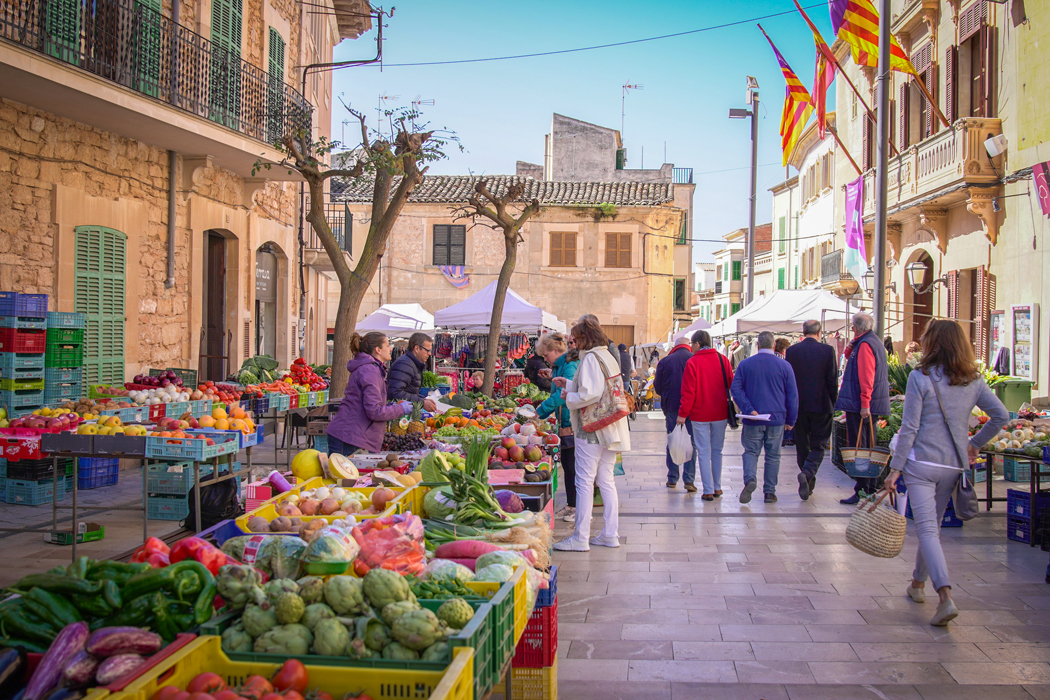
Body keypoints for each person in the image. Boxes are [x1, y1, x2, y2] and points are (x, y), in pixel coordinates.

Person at [884, 320, 1008, 626]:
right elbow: (1001, 415)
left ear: (933, 343)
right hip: (953, 465)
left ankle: (945, 596)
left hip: (921, 463)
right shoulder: (973, 380)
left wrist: (895, 468)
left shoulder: (920, 377)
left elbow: (910, 426)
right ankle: (917, 584)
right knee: (933, 529)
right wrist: (974, 444)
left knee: (926, 530)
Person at [552, 317, 630, 552]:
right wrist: (568, 384)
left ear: (585, 338)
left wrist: (569, 396)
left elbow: (590, 393)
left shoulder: (590, 359)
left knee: (584, 481)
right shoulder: (606, 354)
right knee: (606, 480)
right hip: (611, 427)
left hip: (592, 428)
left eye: (575, 339)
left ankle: (580, 537)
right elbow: (598, 387)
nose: (573, 344)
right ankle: (610, 534)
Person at [730, 330, 798, 503]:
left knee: (751, 452)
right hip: (776, 418)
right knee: (773, 455)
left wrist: (748, 408)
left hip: (753, 419)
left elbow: (735, 389)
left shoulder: (745, 364)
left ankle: (750, 479)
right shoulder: (785, 366)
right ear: (774, 345)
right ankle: (769, 492)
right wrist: (791, 420)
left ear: (758, 345)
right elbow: (792, 396)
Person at [326, 332, 412, 456]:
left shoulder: (372, 369)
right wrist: (400, 409)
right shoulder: (370, 371)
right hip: (349, 437)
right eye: (387, 345)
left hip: (352, 435)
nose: (390, 349)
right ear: (378, 350)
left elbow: (369, 404)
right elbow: (374, 412)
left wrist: (391, 406)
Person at [836, 312, 891, 505]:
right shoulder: (872, 342)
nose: (851, 329)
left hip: (862, 405)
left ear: (858, 327)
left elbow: (866, 376)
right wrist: (851, 347)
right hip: (868, 402)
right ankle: (868, 487)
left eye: (852, 326)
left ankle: (864, 488)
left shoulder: (866, 345)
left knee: (861, 447)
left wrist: (865, 403)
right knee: (866, 446)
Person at [784, 320, 839, 500]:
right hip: (822, 404)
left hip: (799, 405)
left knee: (802, 444)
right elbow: (832, 380)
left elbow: (789, 382)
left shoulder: (792, 351)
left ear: (803, 331)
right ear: (819, 332)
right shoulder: (827, 350)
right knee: (819, 444)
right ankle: (807, 473)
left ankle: (808, 479)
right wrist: (834, 401)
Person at [677, 330, 734, 500]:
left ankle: (707, 490)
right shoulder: (722, 359)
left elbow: (689, 392)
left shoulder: (693, 362)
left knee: (703, 451)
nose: (691, 347)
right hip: (720, 412)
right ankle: (717, 487)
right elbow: (731, 382)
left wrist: (682, 413)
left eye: (692, 344)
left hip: (700, 413)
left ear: (697, 344)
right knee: (717, 451)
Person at [534, 333, 579, 522]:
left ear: (555, 350)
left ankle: (576, 508)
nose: (544, 359)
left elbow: (563, 394)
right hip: (565, 421)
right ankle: (571, 505)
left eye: (545, 355)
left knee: (572, 467)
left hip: (571, 423)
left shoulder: (568, 365)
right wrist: (552, 376)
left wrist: (540, 411)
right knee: (568, 466)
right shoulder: (561, 365)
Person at [654, 335, 697, 491]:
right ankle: (689, 480)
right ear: (689, 345)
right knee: (691, 443)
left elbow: (657, 386)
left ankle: (672, 478)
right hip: (692, 408)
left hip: (671, 406)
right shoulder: (694, 359)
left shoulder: (665, 361)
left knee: (673, 440)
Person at [386, 332, 438, 412]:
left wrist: (423, 399)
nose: (429, 354)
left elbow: (410, 391)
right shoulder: (404, 364)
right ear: (416, 348)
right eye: (427, 350)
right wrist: (421, 402)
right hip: (399, 415)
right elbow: (395, 393)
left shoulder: (412, 363)